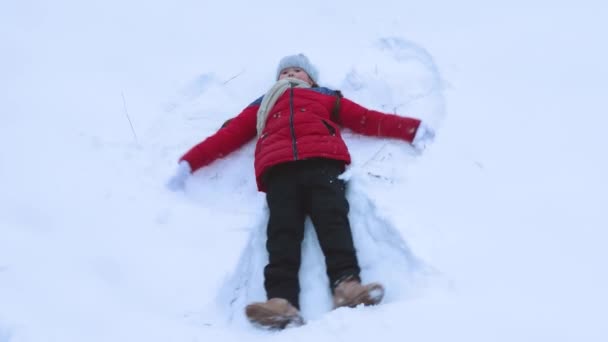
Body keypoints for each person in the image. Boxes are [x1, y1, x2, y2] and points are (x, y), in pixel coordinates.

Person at [167, 53, 435, 329]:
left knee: (333, 221)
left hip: (323, 162)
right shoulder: (263, 105)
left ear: (311, 78)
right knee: (282, 232)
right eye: (285, 72)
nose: (291, 75)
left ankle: (347, 286)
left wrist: (410, 129)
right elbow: (230, 135)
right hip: (279, 170)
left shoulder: (325, 97)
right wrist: (190, 161)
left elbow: (365, 118)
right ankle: (280, 301)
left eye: (298, 71)